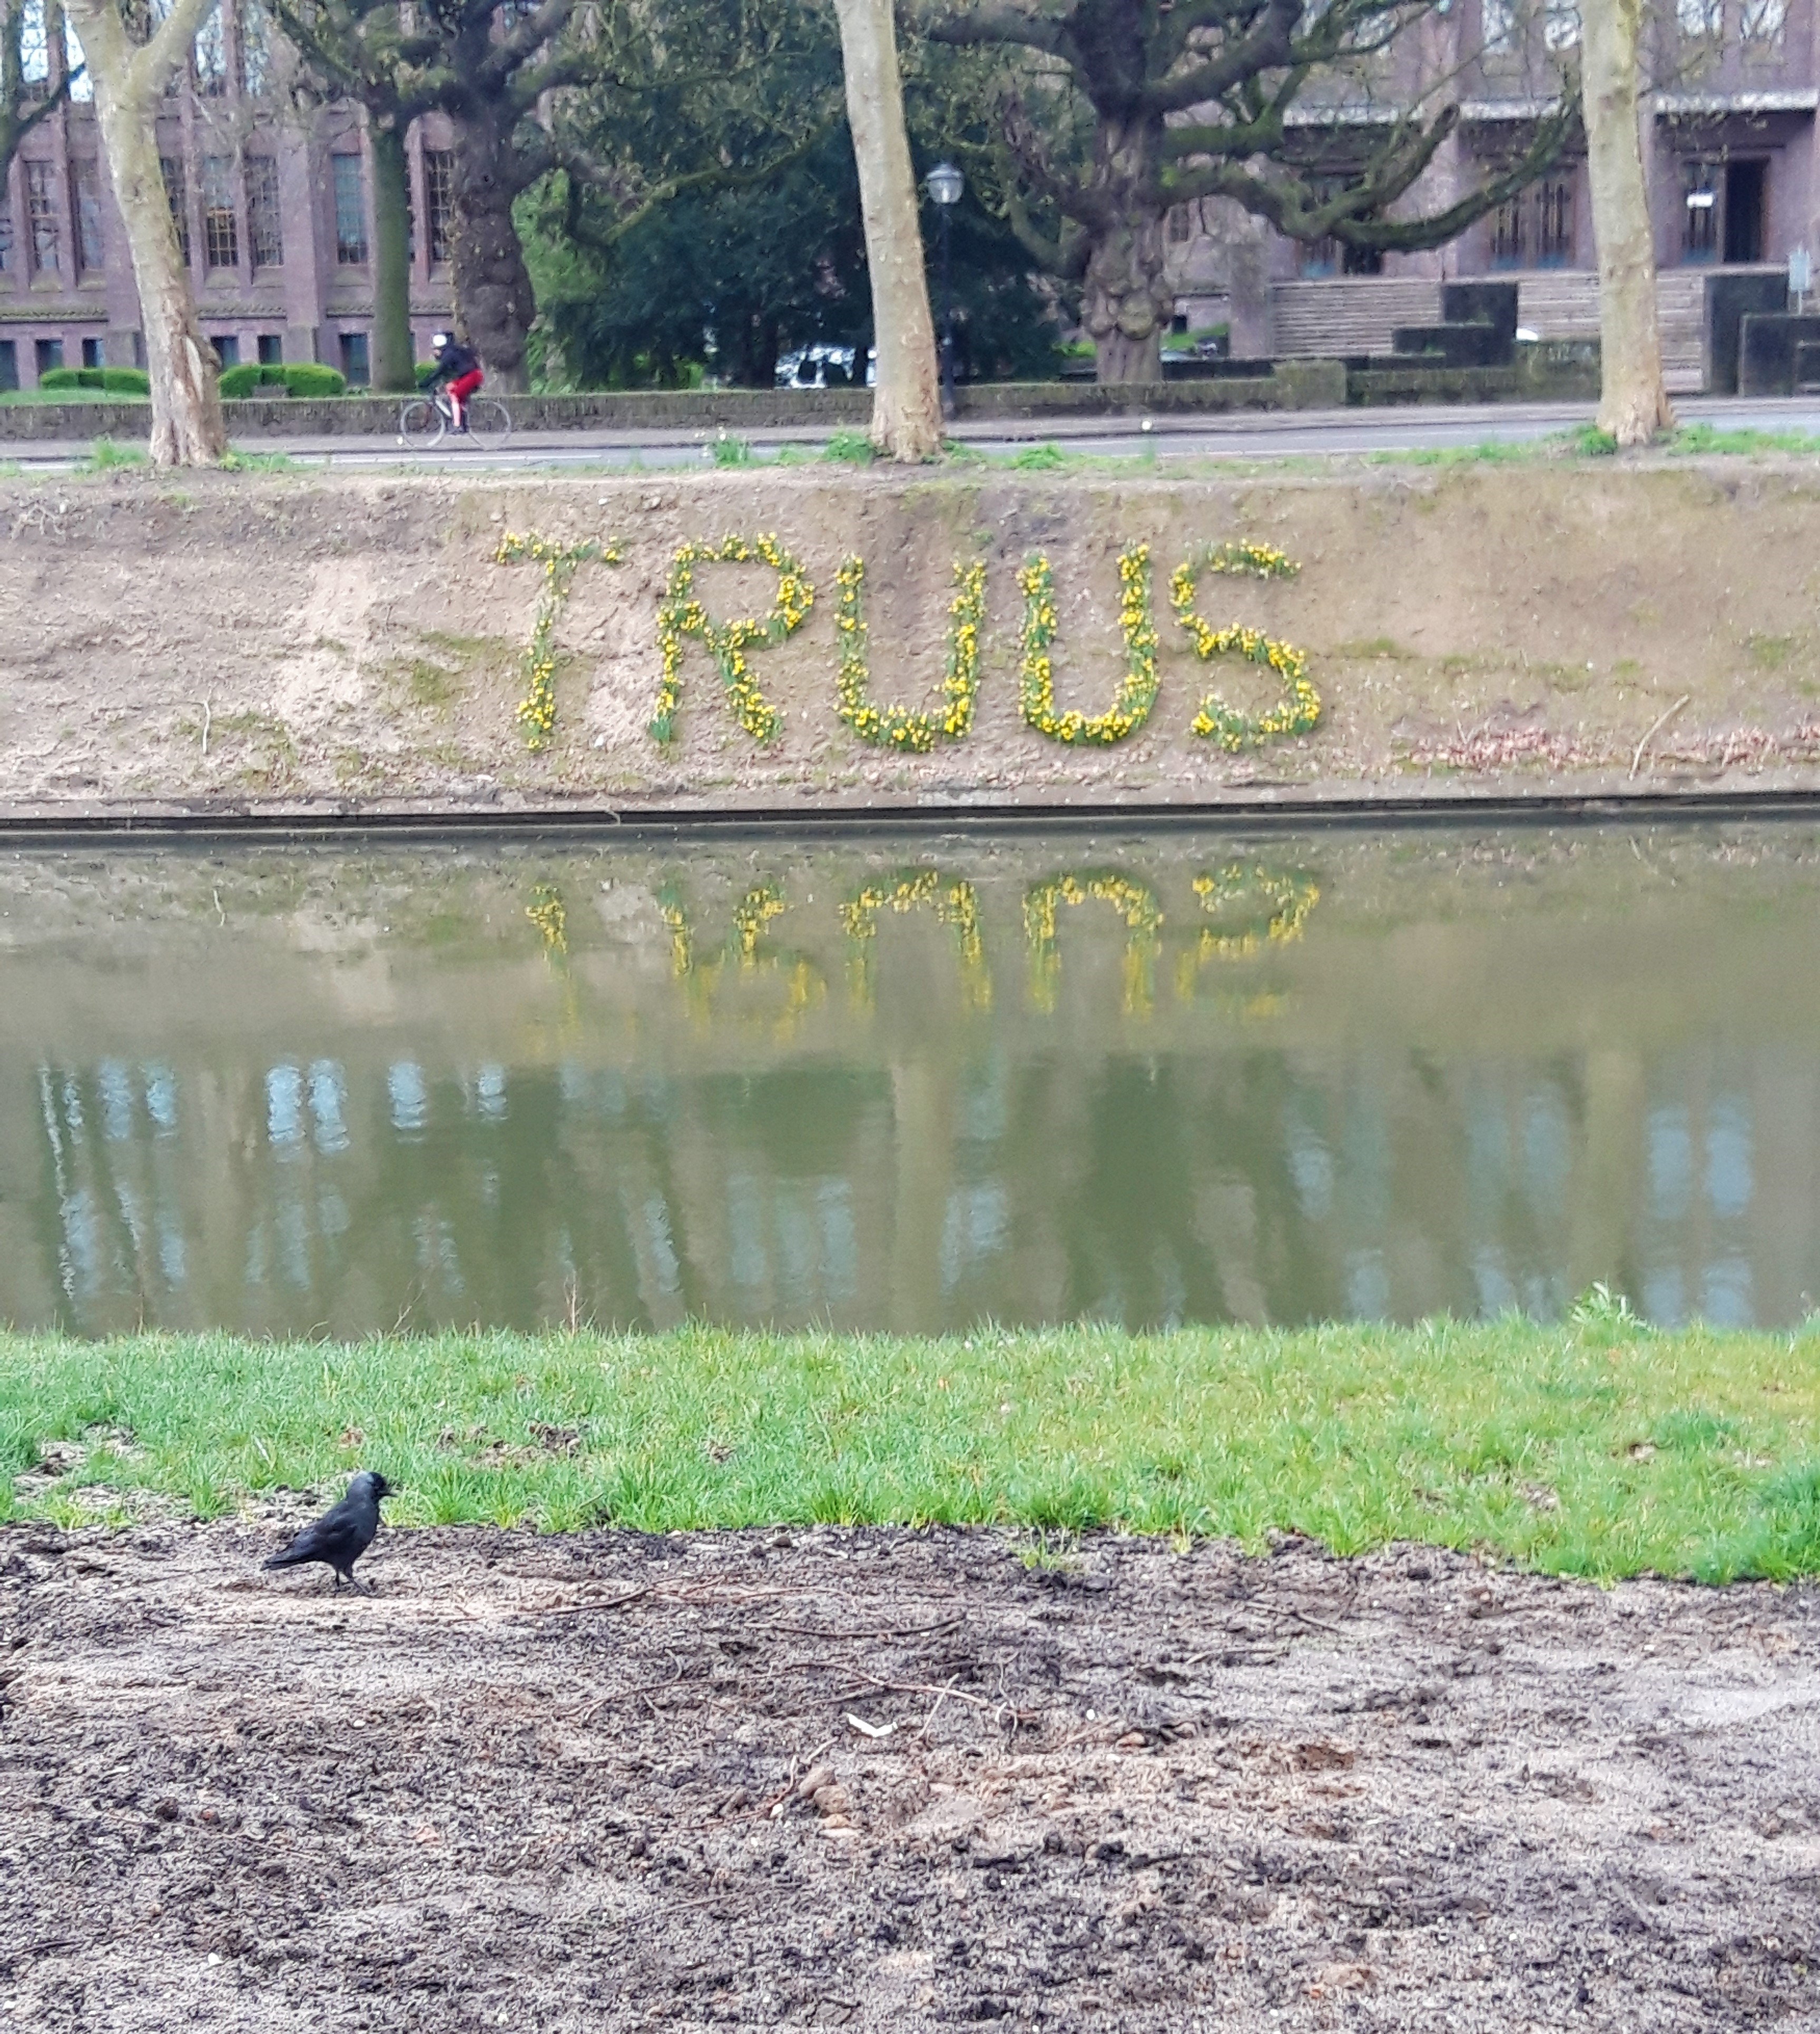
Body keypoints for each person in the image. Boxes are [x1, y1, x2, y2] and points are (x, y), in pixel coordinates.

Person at [427, 331, 483, 432]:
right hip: (473, 375)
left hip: (472, 376)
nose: (434, 353)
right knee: (449, 387)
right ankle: (462, 415)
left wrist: (426, 382)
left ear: (440, 349)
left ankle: (458, 426)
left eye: (435, 350)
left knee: (455, 395)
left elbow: (439, 371)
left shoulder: (448, 355)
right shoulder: (453, 351)